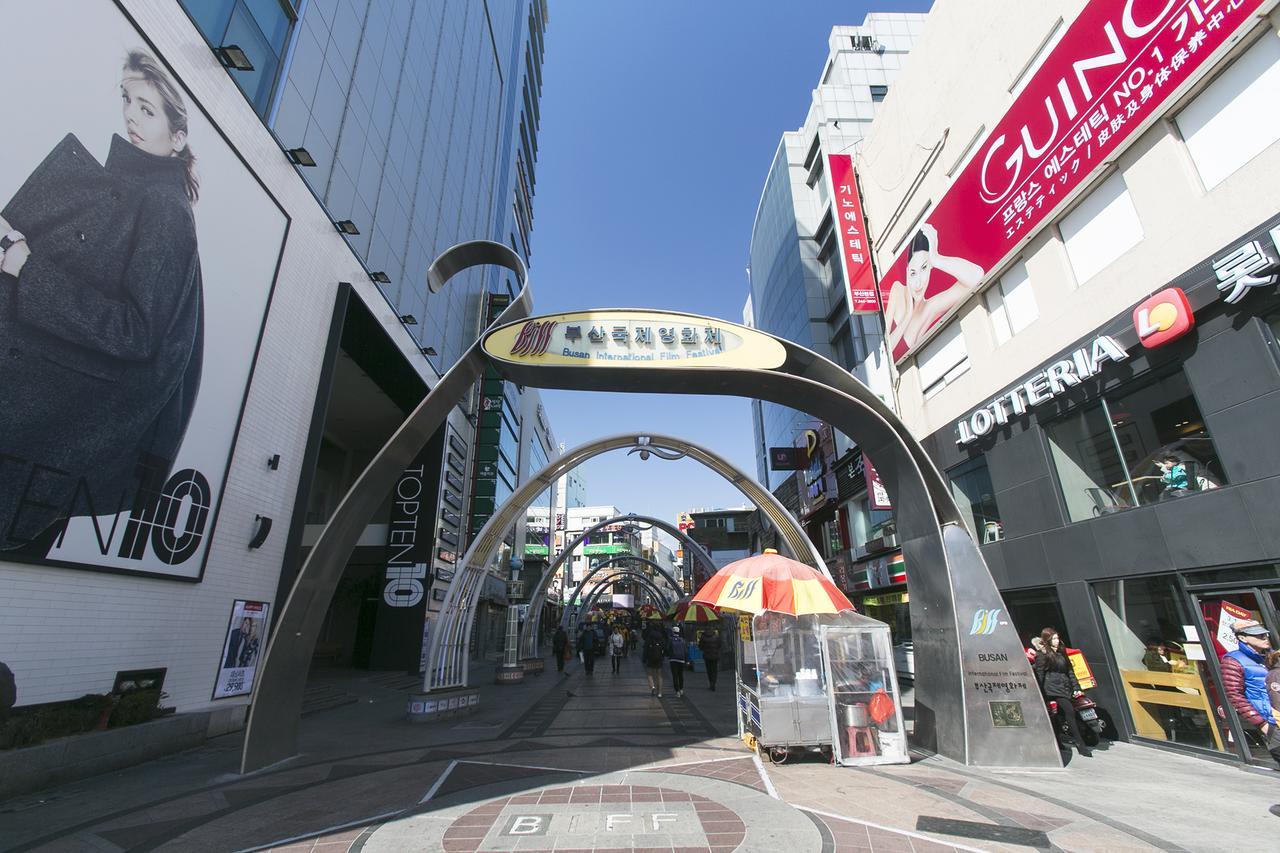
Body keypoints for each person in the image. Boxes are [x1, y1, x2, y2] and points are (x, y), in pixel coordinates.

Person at [0, 49, 204, 553]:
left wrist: (28, 267)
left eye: (148, 109)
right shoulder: (129, 193)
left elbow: (136, 331)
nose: (131, 116)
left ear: (178, 138)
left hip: (45, 434)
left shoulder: (166, 210)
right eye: (128, 100)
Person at [883, 223, 985, 358]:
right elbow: (885, 349)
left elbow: (976, 276)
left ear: (931, 266)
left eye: (924, 268)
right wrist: (907, 315)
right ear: (907, 272)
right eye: (913, 273)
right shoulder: (897, 290)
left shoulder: (930, 307)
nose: (918, 282)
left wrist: (937, 259)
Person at [1220, 620, 1280, 767]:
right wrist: (1262, 724)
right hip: (1271, 720)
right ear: (1242, 638)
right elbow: (1236, 697)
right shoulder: (1233, 660)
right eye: (1258, 636)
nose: (1265, 638)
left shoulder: (1273, 656)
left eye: (1264, 634)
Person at [1033, 627, 1091, 758]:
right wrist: (1040, 693)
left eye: (1057, 638)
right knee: (1069, 711)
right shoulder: (1042, 655)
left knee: (1058, 716)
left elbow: (1070, 671)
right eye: (1053, 638)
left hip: (1065, 687)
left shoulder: (1061, 652)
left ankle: (1059, 741)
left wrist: (1076, 687)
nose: (1057, 641)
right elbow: (1040, 674)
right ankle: (1080, 744)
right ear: (1047, 640)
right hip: (1052, 689)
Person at [642, 620, 666, 697]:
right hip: (659, 657)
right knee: (659, 675)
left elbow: (646, 648)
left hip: (650, 657)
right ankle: (660, 693)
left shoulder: (650, 636)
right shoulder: (661, 637)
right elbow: (664, 648)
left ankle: (652, 687)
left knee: (649, 674)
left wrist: (644, 658)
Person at [668, 625, 691, 698]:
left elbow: (667, 649)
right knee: (680, 675)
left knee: (675, 675)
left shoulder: (670, 640)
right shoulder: (682, 640)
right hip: (681, 660)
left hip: (673, 659)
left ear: (672, 632)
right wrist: (687, 660)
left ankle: (677, 690)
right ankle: (681, 689)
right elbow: (686, 651)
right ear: (679, 632)